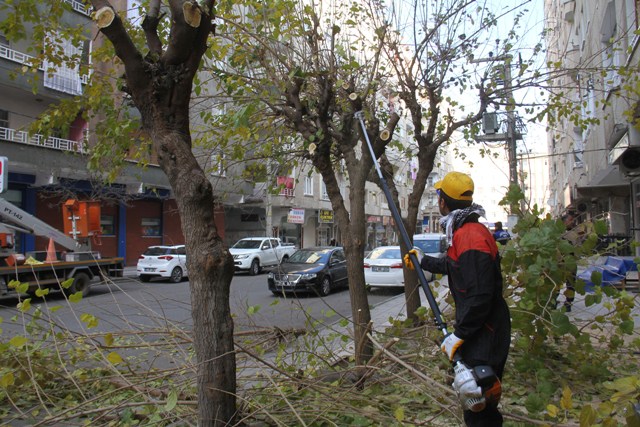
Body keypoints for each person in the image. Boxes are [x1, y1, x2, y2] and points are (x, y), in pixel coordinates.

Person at [404, 171, 511, 427]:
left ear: (443, 201)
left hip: (485, 331)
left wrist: (459, 334)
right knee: (477, 406)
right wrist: (424, 260)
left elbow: (480, 293)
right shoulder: (466, 229)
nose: (438, 199)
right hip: (482, 328)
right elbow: (458, 267)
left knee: (478, 402)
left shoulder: (470, 235)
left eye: (439, 195)